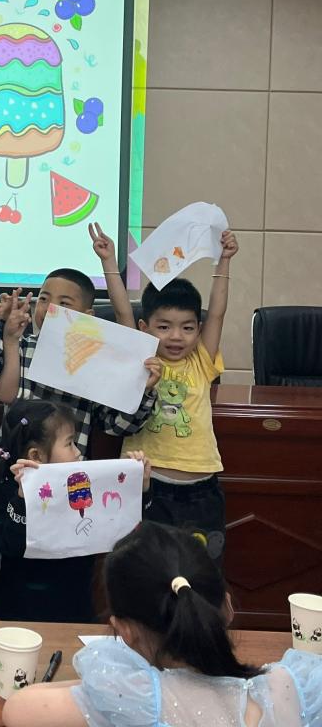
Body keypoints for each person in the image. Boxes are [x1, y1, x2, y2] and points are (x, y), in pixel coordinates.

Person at [2, 521, 322, 727]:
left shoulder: (135, 701)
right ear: (226, 607)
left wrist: (106, 681)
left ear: (124, 632)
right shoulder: (299, 687)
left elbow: (17, 708)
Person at [105, 229, 239, 566]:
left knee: (202, 571)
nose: (176, 336)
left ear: (198, 329)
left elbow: (217, 312)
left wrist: (224, 261)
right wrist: (108, 261)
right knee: (148, 572)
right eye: (163, 327)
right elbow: (122, 313)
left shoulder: (202, 361)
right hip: (148, 486)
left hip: (202, 489)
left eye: (187, 327)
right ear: (144, 327)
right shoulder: (142, 358)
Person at [0, 225, 161, 463]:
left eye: (64, 303)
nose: (50, 308)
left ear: (88, 315)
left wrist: (142, 391)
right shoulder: (23, 345)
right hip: (12, 468)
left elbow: (115, 425)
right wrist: (0, 324)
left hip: (68, 473)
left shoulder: (96, 362)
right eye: (44, 299)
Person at [0, 399, 151, 623]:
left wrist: (140, 488)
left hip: (76, 608)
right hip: (20, 612)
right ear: (36, 455)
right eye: (69, 443)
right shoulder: (4, 486)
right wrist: (23, 498)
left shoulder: (81, 483)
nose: (77, 452)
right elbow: (10, 546)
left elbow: (122, 531)